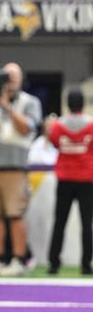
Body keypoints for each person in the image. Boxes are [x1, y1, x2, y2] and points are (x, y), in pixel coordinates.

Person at [0, 62, 42, 277]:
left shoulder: (29, 102)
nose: (10, 82)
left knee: (16, 215)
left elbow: (26, 128)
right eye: (6, 77)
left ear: (21, 80)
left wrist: (7, 106)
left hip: (16, 166)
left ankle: (18, 260)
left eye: (14, 77)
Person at [47, 89, 93, 275]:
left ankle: (54, 263)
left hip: (65, 179)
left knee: (59, 222)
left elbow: (54, 142)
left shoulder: (58, 125)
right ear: (83, 104)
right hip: (86, 179)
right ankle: (86, 265)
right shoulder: (91, 124)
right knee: (87, 223)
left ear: (68, 104)